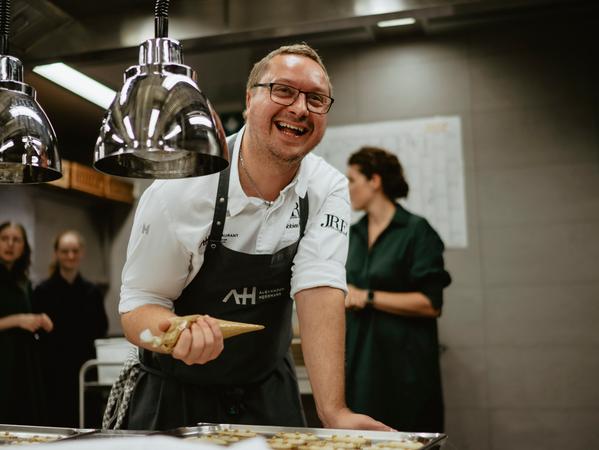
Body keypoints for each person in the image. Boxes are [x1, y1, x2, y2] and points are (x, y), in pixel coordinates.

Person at [114, 43, 391, 431]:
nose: (299, 108)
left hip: (267, 392)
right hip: (175, 395)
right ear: (249, 99)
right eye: (283, 90)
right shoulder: (183, 188)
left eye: (316, 98)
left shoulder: (326, 188)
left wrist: (334, 412)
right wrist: (173, 337)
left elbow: (321, 290)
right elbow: (138, 307)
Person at [344, 146, 452, 432]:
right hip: (360, 366)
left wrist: (367, 297)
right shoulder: (353, 234)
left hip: (405, 369)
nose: (347, 187)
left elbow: (431, 303)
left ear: (374, 181)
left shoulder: (416, 231)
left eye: (352, 179)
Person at [32, 230, 108, 427]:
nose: (70, 256)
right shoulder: (42, 291)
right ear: (56, 254)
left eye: (74, 251)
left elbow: (101, 328)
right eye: (65, 251)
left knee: (88, 427)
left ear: (81, 253)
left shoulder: (92, 292)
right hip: (53, 373)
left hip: (84, 369)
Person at [0, 221, 53, 425]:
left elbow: (25, 314)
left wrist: (39, 319)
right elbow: (18, 317)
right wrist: (19, 320)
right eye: (4, 239)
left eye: (16, 240)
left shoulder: (23, 281)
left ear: (24, 247)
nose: (10, 244)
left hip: (21, 358)